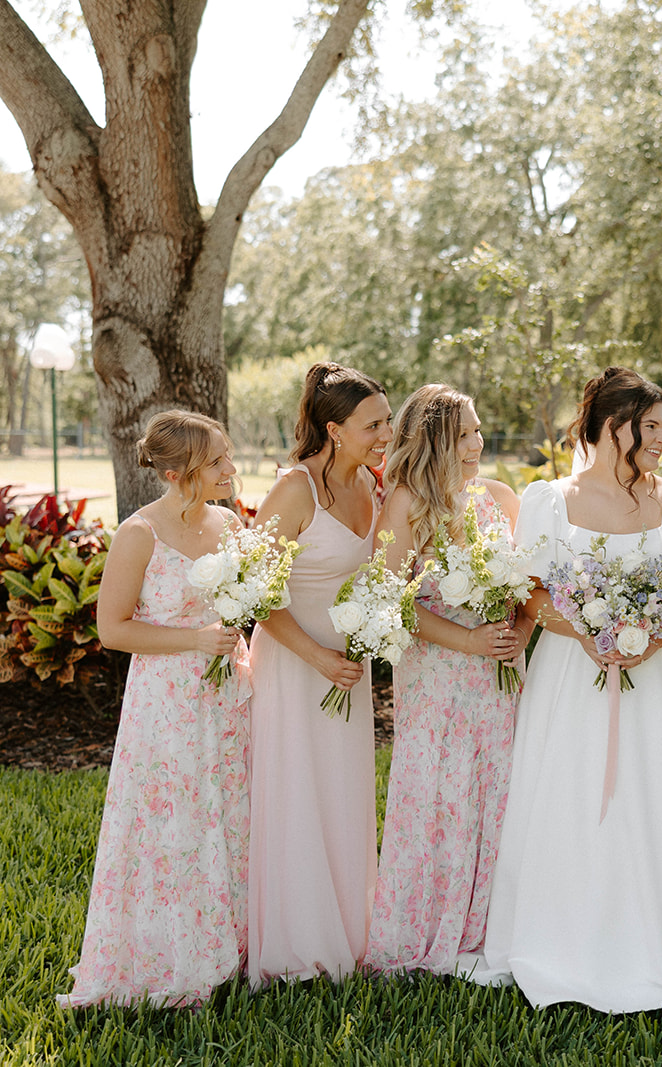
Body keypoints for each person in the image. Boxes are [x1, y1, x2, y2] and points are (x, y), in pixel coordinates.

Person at [478, 366, 662, 1019]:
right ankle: (566, 934)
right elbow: (530, 592)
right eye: (652, 426)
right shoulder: (549, 501)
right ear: (614, 425)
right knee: (572, 797)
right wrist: (587, 634)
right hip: (569, 679)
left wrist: (652, 632)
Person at [58, 410, 250, 1008]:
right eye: (215, 461)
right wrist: (195, 639)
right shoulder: (139, 534)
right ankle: (170, 954)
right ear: (175, 471)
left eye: (227, 456)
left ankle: (233, 947)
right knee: (175, 824)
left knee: (229, 814)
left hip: (229, 697)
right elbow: (112, 629)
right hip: (167, 703)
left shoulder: (231, 524)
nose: (229, 469)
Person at [365, 384, 530, 976]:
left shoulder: (500, 497)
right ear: (435, 438)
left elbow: (529, 587)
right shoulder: (408, 502)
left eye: (479, 431)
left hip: (500, 675)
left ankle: (490, 924)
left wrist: (517, 631)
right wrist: (467, 639)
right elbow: (390, 598)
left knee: (498, 792)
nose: (477, 443)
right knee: (441, 795)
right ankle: (426, 927)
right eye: (465, 433)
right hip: (438, 675)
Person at [245, 362, 391, 983]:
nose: (387, 433)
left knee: (343, 792)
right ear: (334, 429)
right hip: (296, 667)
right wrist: (316, 656)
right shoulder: (294, 490)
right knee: (297, 792)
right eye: (374, 424)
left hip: (349, 671)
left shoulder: (376, 487)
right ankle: (298, 947)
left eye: (387, 421)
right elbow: (252, 592)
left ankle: (351, 931)